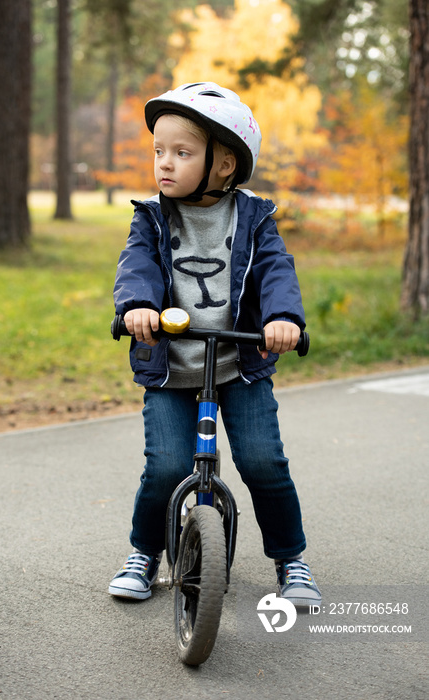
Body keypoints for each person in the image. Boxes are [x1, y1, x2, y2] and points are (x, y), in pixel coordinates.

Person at [109, 82, 321, 607]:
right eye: (159, 150)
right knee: (165, 467)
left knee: (264, 462)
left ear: (224, 164)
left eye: (182, 153)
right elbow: (136, 265)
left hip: (239, 362)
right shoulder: (151, 217)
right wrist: (137, 306)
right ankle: (144, 553)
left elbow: (275, 271)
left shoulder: (254, 218)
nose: (164, 163)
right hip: (172, 368)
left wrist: (282, 318)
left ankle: (291, 560)